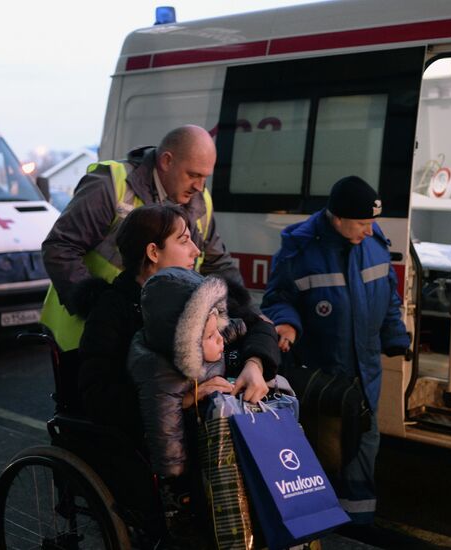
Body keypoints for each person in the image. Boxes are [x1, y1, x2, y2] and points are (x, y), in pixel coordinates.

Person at [261, 176, 410, 534]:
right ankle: (320, 523)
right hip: (326, 373)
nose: (368, 229)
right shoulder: (300, 251)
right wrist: (288, 324)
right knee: (326, 448)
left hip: (366, 370)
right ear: (337, 218)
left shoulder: (373, 244)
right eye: (361, 223)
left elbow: (388, 297)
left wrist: (395, 335)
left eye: (371, 221)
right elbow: (278, 298)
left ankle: (358, 525)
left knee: (364, 442)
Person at [41, 124, 241, 356]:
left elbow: (217, 264)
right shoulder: (111, 184)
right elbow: (60, 247)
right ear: (166, 161)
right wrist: (102, 310)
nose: (199, 186)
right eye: (193, 175)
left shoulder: (200, 199)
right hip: (84, 334)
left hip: (145, 340)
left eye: (205, 177)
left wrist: (248, 313)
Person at [72, 204, 277, 430]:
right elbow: (99, 397)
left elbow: (260, 327)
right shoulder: (111, 310)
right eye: (183, 240)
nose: (196, 251)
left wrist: (255, 364)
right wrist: (187, 398)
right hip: (153, 439)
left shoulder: (201, 291)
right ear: (153, 252)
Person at [126, 266, 275, 546]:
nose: (220, 338)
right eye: (211, 336)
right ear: (186, 343)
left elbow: (225, 330)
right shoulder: (161, 375)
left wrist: (242, 328)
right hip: (191, 464)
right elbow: (165, 434)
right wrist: (175, 477)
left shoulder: (200, 337)